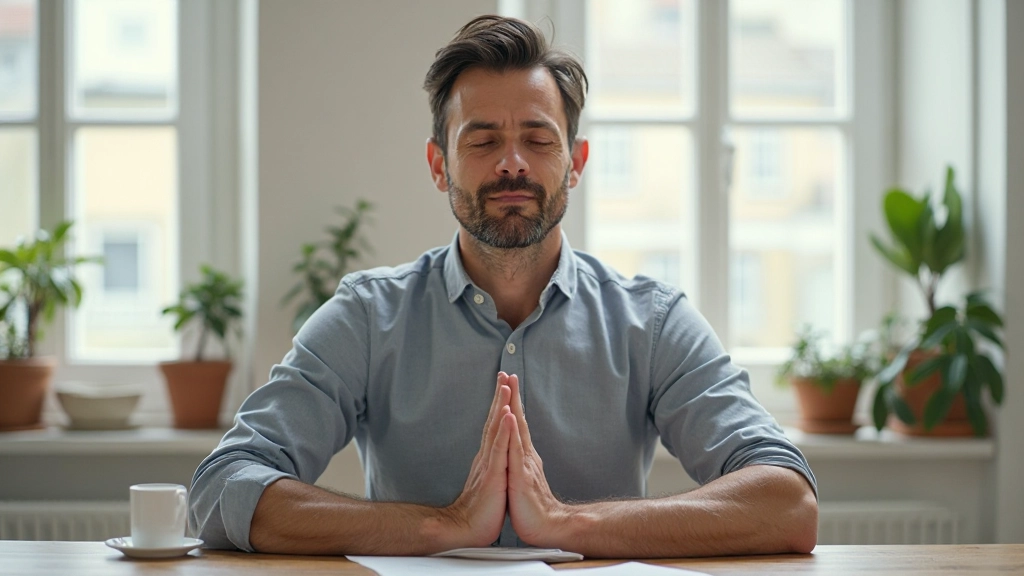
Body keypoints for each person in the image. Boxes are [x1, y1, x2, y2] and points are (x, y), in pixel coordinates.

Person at [189, 15, 818, 558]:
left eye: (538, 140)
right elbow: (221, 489)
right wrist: (443, 527)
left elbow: (787, 500)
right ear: (440, 165)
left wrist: (571, 524)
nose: (512, 163)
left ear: (576, 164)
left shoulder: (652, 323)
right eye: (483, 140)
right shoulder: (366, 318)